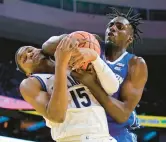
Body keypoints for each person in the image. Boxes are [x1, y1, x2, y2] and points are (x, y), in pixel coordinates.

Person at [42, 8, 148, 142]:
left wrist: (90, 83)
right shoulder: (92, 43)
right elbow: (46, 46)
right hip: (88, 129)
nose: (113, 28)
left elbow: (122, 115)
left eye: (119, 27)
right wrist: (70, 41)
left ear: (129, 38)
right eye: (110, 25)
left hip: (116, 133)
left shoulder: (135, 64)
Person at [15, 36, 118, 142]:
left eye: (30, 50)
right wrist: (61, 65)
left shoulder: (77, 63)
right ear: (28, 73)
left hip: (103, 136)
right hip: (73, 138)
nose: (29, 54)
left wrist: (95, 57)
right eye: (24, 59)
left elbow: (113, 87)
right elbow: (57, 116)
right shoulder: (31, 83)